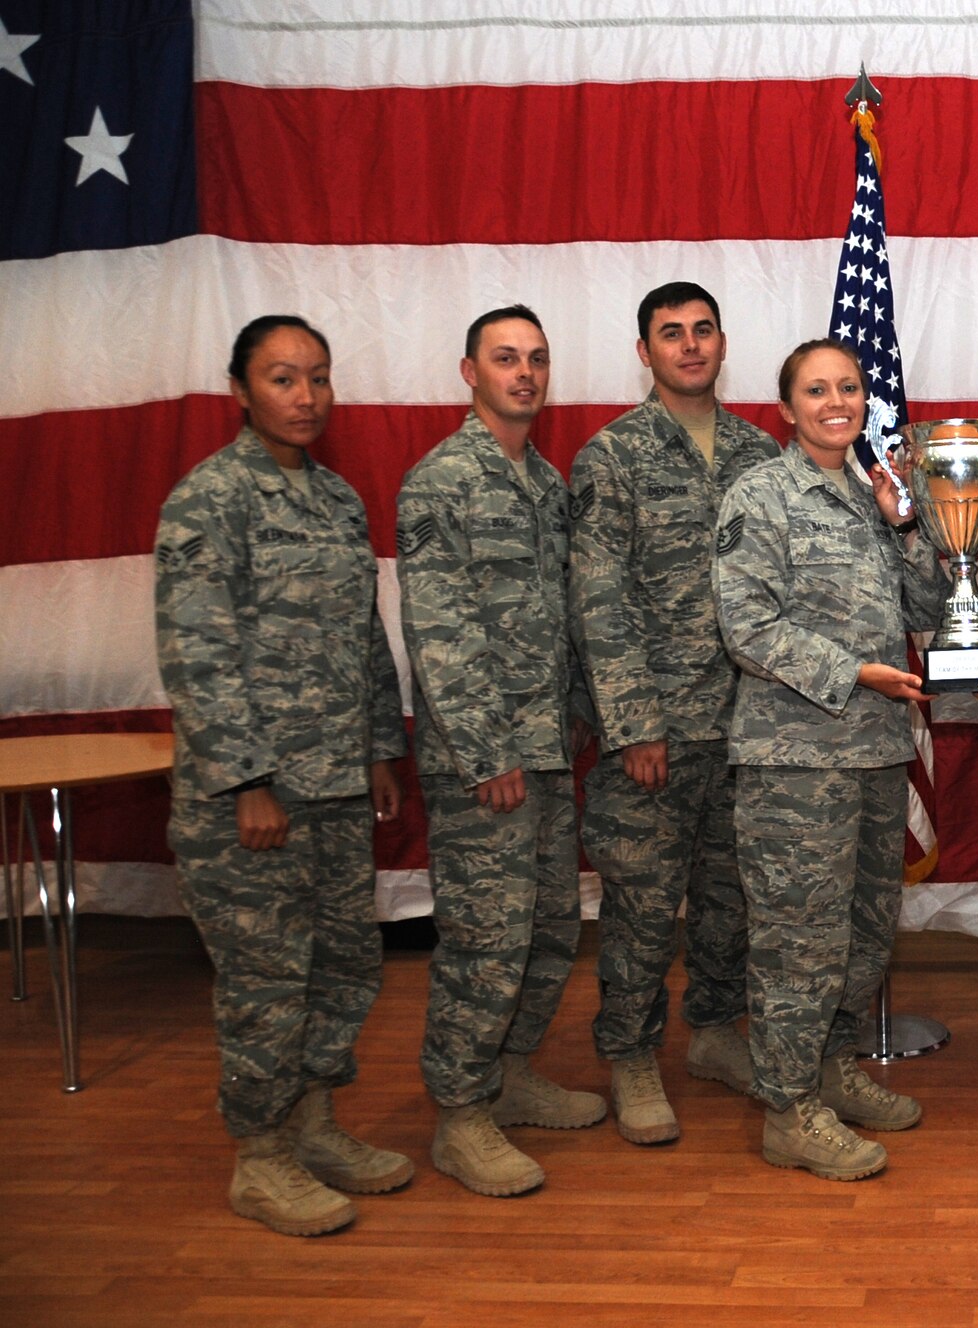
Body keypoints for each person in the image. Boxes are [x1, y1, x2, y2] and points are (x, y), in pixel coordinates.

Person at [155, 315, 409, 1236]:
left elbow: (361, 639)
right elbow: (197, 654)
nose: (304, 398)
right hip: (255, 802)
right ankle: (260, 1159)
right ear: (241, 390)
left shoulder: (337, 500)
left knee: (342, 967)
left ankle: (313, 1123)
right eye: (282, 379)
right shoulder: (211, 499)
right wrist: (246, 782)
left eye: (317, 378)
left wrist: (382, 747)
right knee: (265, 983)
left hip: (339, 784)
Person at [712, 338, 950, 1181]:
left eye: (848, 386)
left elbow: (925, 605)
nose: (836, 401)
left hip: (878, 752)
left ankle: (830, 1068)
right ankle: (788, 1108)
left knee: (864, 934)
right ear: (786, 408)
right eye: (816, 390)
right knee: (798, 942)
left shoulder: (873, 493)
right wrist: (851, 672)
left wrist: (910, 524)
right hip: (795, 761)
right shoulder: (762, 495)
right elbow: (746, 628)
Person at [396, 304, 602, 1198]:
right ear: (469, 372)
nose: (525, 373)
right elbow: (439, 632)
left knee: (552, 925)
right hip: (486, 763)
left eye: (537, 360)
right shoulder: (441, 482)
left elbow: (565, 619)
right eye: (506, 359)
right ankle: (461, 1114)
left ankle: (511, 1073)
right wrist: (487, 751)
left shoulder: (547, 484)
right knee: (487, 937)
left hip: (549, 750)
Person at [569, 282, 780, 1145]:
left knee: (732, 900)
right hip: (654, 728)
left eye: (702, 331)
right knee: (644, 906)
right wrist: (634, 724)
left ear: (723, 343)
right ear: (645, 350)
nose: (689, 346)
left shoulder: (760, 453)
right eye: (670, 334)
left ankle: (716, 1032)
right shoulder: (610, 456)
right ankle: (630, 1054)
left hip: (750, 724)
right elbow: (598, 597)